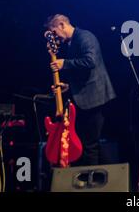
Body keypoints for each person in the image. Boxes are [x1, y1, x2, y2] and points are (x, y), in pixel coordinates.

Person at [45, 14, 116, 166]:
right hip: (86, 98)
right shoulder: (72, 43)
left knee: (90, 145)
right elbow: (84, 74)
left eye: (55, 32)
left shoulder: (85, 37)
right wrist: (68, 87)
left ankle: (94, 183)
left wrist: (65, 63)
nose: (56, 37)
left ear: (62, 25)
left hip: (95, 98)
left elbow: (90, 61)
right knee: (87, 144)